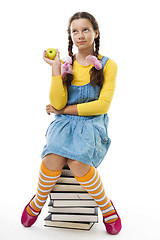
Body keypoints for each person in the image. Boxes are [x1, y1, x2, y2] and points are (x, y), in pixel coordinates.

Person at [21, 11, 122, 235]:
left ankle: (106, 207)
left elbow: (102, 106)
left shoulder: (108, 65)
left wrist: (63, 110)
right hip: (64, 124)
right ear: (70, 36)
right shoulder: (67, 64)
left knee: (78, 164)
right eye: (74, 31)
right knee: (52, 161)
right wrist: (55, 68)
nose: (80, 35)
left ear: (96, 32)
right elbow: (56, 101)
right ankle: (38, 200)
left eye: (85, 29)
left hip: (92, 123)